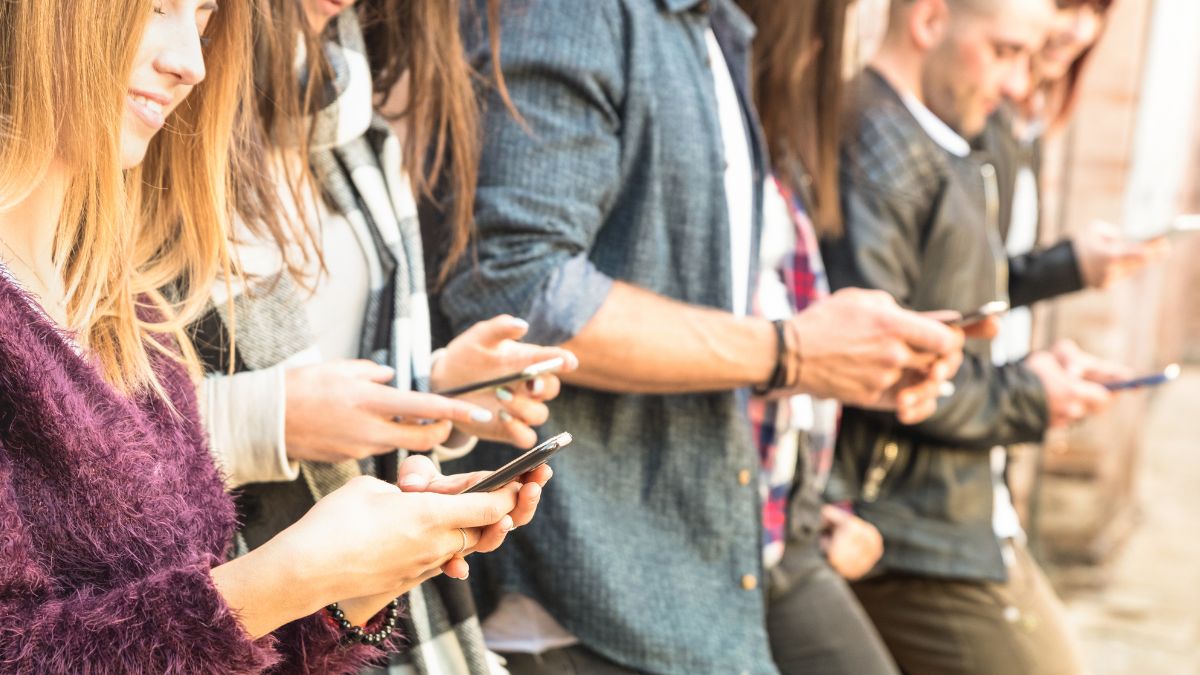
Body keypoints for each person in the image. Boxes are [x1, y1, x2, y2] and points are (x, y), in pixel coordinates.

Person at [0, 1, 545, 671]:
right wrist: (293, 572)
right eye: (157, 7)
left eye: (201, 19)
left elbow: (217, 638)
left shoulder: (131, 311)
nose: (191, 64)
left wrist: (357, 581)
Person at [431, 1, 968, 672]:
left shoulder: (712, 28)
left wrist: (850, 362)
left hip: (694, 565)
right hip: (591, 597)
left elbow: (706, 302)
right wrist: (792, 353)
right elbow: (519, 292)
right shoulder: (573, 11)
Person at [192, 1, 575, 673]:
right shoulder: (159, 135)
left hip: (370, 609)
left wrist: (436, 388)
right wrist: (270, 420)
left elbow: (335, 375)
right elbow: (86, 431)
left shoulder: (366, 146)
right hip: (222, 609)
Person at [821, 1, 1135, 673]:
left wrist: (1057, 296)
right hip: (907, 522)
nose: (1023, 84)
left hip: (951, 505)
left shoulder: (947, 132)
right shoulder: (879, 141)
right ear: (931, 20)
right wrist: (1029, 393)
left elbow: (960, 305)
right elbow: (882, 365)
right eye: (1007, 53)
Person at [738, 1, 900, 673]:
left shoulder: (784, 158)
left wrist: (813, 507)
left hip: (790, 527)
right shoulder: (733, 146)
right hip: (738, 539)